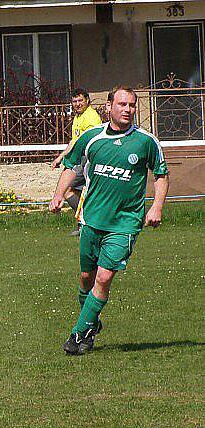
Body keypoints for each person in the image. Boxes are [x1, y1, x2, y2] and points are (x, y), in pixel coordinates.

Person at [49, 86, 169, 355]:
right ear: (109, 106)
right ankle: (91, 321)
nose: (128, 110)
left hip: (125, 223)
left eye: (132, 105)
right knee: (86, 278)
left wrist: (156, 207)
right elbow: (70, 165)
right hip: (91, 219)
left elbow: (161, 174)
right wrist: (58, 195)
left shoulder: (146, 141)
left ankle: (78, 337)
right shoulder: (92, 138)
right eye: (122, 104)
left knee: (103, 278)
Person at [51, 88, 103, 235]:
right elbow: (74, 141)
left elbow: (88, 142)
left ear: (87, 100)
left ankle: (86, 223)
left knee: (67, 189)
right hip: (80, 159)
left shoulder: (91, 117)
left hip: (88, 159)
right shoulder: (78, 117)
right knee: (75, 191)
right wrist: (60, 157)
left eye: (80, 100)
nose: (77, 104)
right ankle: (86, 224)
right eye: (74, 101)